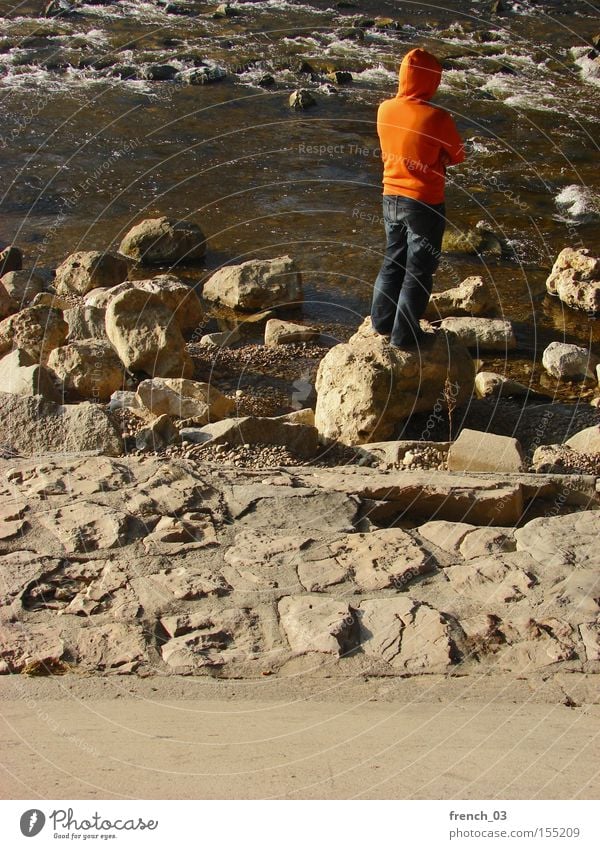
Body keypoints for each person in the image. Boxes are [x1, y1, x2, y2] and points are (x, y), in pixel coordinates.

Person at [370, 47, 465, 348]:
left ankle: (381, 322)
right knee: (419, 269)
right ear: (429, 81)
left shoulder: (384, 108)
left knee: (392, 260)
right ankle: (404, 335)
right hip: (424, 202)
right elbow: (458, 155)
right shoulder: (437, 117)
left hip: (390, 196)